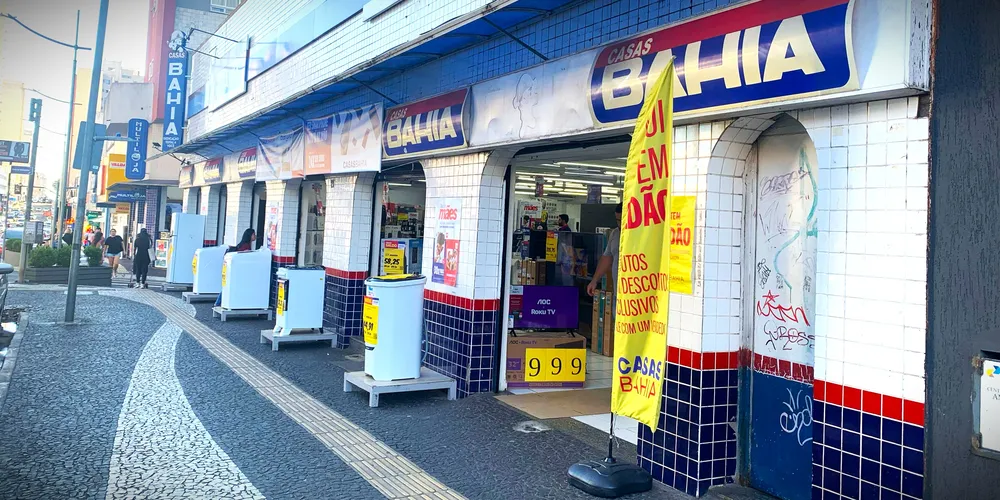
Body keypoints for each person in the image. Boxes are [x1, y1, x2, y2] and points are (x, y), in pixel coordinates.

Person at [587, 203, 622, 298]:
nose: (619, 224)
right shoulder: (615, 234)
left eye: (622, 220)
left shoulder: (640, 237)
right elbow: (607, 257)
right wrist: (594, 280)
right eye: (617, 220)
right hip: (618, 295)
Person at [215, 229, 256, 307]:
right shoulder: (245, 246)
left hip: (232, 269)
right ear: (250, 236)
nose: (255, 236)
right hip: (236, 270)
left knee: (227, 285)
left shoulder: (243, 244)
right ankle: (218, 303)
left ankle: (218, 303)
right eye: (254, 234)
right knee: (228, 286)